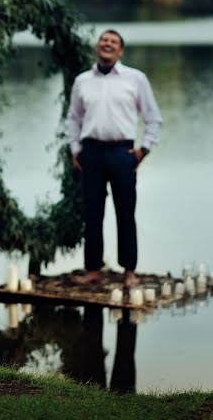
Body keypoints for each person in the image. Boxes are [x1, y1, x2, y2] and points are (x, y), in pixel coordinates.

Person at [64, 30, 163, 288]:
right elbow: (73, 119)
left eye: (114, 42)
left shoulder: (135, 79)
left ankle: (129, 271)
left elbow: (153, 118)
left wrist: (144, 150)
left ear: (120, 52)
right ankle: (94, 269)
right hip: (91, 152)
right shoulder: (82, 81)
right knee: (92, 212)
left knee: (125, 211)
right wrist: (76, 150)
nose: (107, 44)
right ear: (97, 47)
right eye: (104, 40)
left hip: (123, 153)